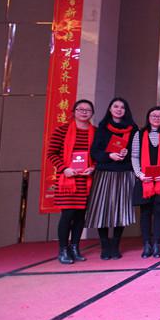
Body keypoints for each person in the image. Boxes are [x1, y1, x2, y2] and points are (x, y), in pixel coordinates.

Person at [85, 97, 137, 260]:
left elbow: (137, 152)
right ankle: (104, 245)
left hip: (124, 172)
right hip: (105, 172)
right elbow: (95, 152)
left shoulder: (133, 129)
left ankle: (115, 245)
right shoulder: (102, 128)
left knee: (121, 210)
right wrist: (109, 155)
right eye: (116, 106)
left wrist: (126, 153)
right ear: (110, 109)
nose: (119, 109)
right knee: (102, 210)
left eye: (122, 107)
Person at [46, 99, 96, 264]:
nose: (84, 112)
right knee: (67, 215)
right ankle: (63, 249)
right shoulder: (62, 130)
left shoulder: (95, 132)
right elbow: (52, 153)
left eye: (88, 110)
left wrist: (93, 167)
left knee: (80, 216)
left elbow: (98, 155)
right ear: (74, 112)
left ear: (92, 113)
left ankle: (75, 247)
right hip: (67, 180)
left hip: (86, 181)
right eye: (80, 109)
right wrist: (64, 168)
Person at [131, 106, 160, 258]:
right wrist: (140, 174)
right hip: (144, 180)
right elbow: (134, 156)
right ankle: (146, 244)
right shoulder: (139, 134)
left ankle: (157, 243)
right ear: (148, 118)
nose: (156, 118)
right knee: (145, 212)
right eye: (153, 116)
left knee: (159, 211)